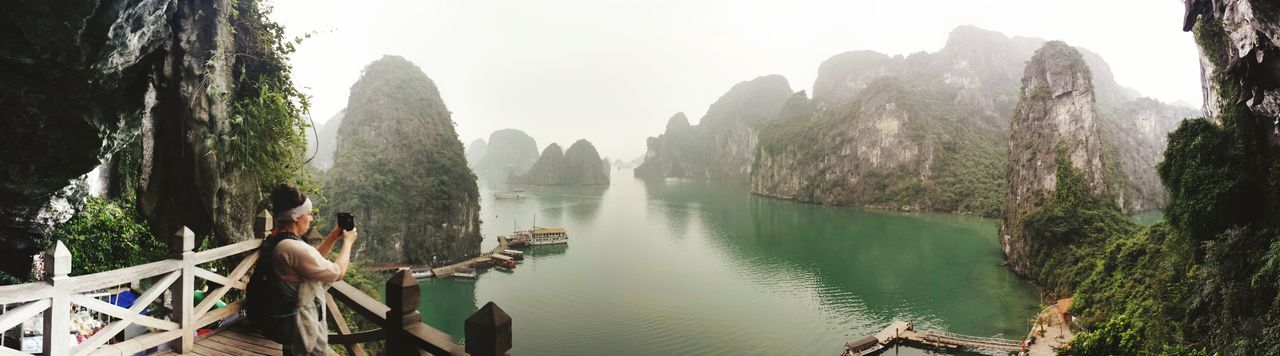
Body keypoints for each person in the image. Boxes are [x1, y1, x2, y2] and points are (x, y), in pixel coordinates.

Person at [265, 185, 358, 355]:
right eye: (308, 214)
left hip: (289, 315)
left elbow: (310, 259)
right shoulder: (292, 247)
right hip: (301, 322)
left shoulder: (279, 239)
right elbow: (337, 272)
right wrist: (348, 242)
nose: (311, 219)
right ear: (295, 217)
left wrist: (332, 237)